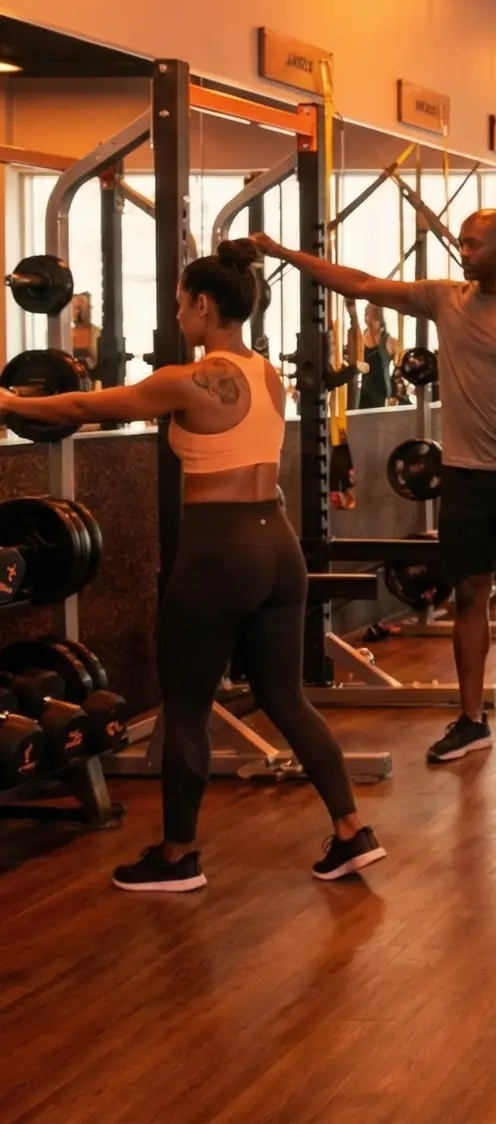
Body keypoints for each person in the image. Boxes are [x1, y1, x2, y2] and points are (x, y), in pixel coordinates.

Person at [0, 241, 383, 892]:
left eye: (181, 304)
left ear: (205, 305)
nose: (178, 315)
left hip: (218, 553)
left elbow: (82, 409)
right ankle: (351, 831)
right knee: (286, 698)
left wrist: (7, 402)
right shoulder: (267, 375)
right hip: (277, 544)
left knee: (185, 708)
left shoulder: (186, 381)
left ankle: (178, 855)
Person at [251, 211, 496, 763]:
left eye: (473, 243)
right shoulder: (445, 299)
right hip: (463, 475)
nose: (463, 251)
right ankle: (470, 720)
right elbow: (363, 283)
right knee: (468, 594)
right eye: (461, 241)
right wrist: (283, 252)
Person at [351, 300, 394, 410]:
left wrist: (395, 395)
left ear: (377, 316)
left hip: (381, 392)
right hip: (363, 392)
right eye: (365, 312)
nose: (365, 315)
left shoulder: (389, 341)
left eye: (367, 312)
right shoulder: (362, 336)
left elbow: (399, 365)